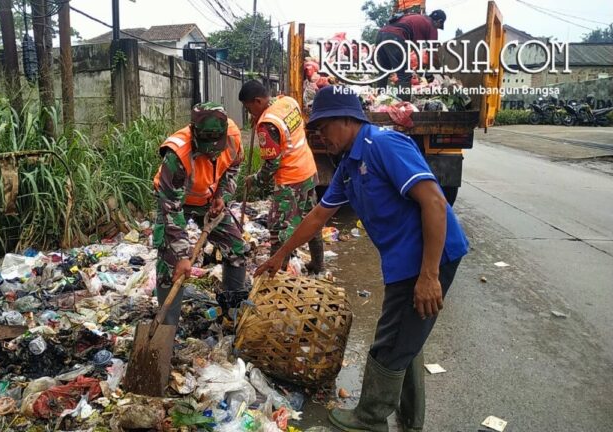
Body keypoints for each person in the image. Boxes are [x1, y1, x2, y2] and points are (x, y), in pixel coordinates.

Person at [255, 85, 468, 432]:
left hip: (428, 256)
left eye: (324, 127)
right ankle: (410, 421)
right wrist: (280, 255)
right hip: (403, 260)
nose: (321, 136)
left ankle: (369, 419)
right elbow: (318, 216)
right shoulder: (349, 166)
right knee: (407, 337)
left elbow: (434, 203)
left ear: (347, 119)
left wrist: (428, 275)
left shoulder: (383, 145)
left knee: (390, 341)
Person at [153, 102, 248, 324]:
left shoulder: (233, 136)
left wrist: (222, 196)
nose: (213, 151)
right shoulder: (177, 154)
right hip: (177, 201)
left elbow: (234, 167)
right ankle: (167, 327)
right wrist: (181, 256)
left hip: (209, 198)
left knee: (236, 249)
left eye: (218, 144)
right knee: (171, 266)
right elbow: (171, 208)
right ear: (194, 133)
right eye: (207, 145)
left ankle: (231, 312)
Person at [238, 80, 325, 274]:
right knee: (310, 219)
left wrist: (256, 180)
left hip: (290, 179)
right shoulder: (287, 102)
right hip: (308, 170)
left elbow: (271, 165)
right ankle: (318, 265)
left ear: (258, 101)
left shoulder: (267, 125)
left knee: (279, 230)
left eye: (248, 107)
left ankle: (277, 275)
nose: (248, 112)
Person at [375, 9, 446, 99]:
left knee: (384, 71)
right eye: (439, 26)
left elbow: (412, 47)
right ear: (439, 21)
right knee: (404, 75)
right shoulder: (432, 25)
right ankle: (403, 107)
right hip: (395, 36)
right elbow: (433, 53)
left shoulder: (417, 18)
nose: (438, 29)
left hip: (381, 34)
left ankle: (379, 99)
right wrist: (440, 70)